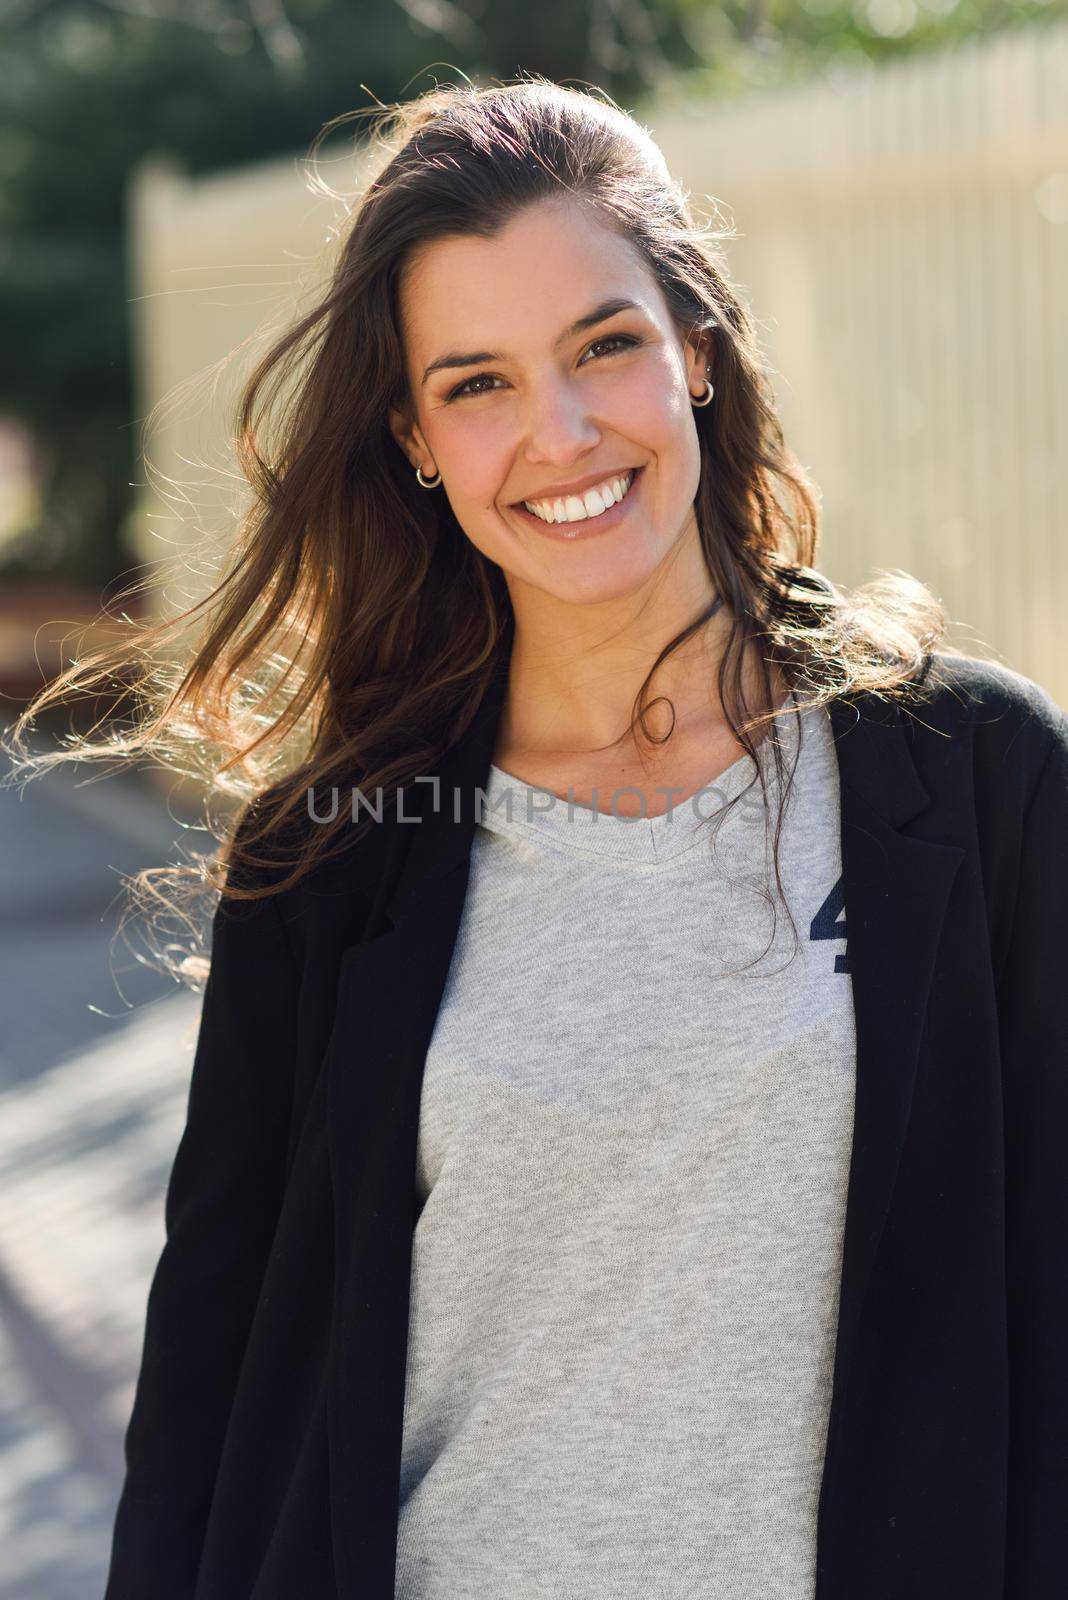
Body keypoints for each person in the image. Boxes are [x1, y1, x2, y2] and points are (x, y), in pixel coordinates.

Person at [4, 77, 1066, 1600]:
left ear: (695, 349)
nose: (560, 434)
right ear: (417, 438)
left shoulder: (976, 782)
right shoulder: (334, 857)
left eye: (604, 345)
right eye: (477, 382)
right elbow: (211, 1396)